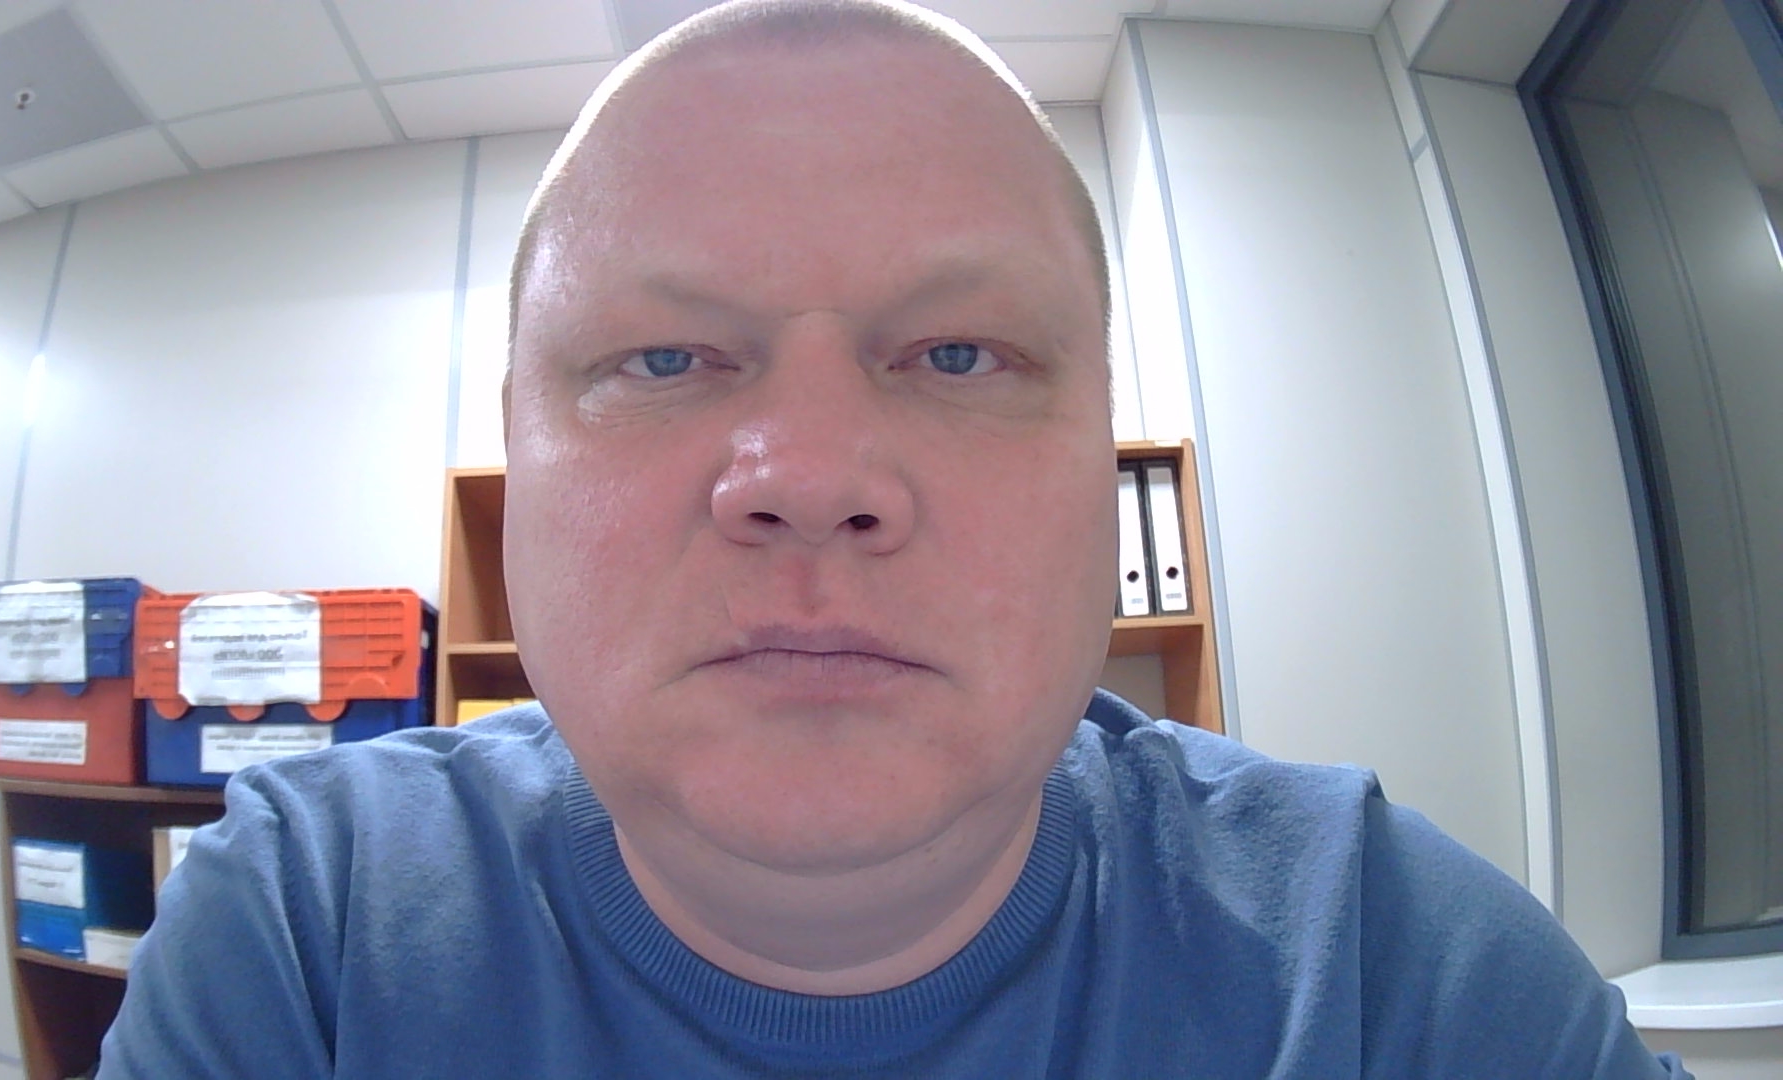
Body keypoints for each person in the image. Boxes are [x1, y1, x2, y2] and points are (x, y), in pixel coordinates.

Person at [98, 1, 1689, 1076]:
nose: (808, 476)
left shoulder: (1390, 970)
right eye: (664, 357)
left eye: (958, 354)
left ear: (1104, 465)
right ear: (517, 461)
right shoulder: (306, 928)